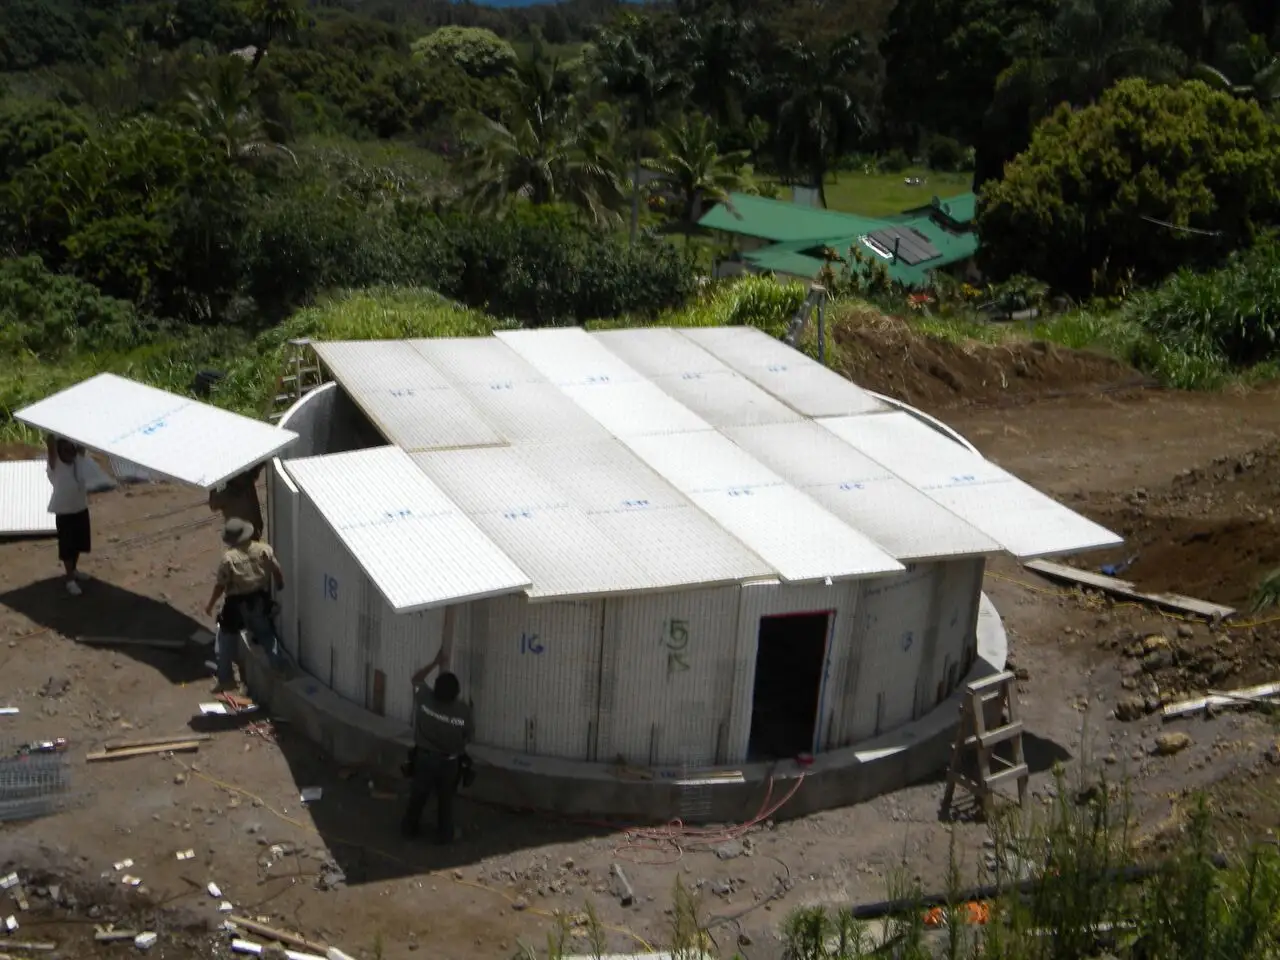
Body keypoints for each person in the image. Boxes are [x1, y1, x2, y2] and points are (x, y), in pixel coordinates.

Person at [204, 518, 284, 692]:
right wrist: (279, 585)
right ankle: (278, 668)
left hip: (235, 605)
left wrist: (210, 605)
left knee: (225, 639)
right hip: (259, 599)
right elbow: (277, 570)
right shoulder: (264, 549)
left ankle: (226, 679)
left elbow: (220, 586)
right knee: (266, 636)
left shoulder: (229, 558)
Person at [401, 667, 473, 844]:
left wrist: (435, 662)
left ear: (435, 688)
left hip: (424, 758)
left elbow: (416, 678)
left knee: (418, 795)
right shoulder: (462, 711)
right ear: (456, 693)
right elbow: (468, 736)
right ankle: (445, 834)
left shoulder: (425, 699)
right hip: (449, 762)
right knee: (445, 799)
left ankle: (409, 828)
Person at [46, 435, 91, 596]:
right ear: (59, 451)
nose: (70, 452)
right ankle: (70, 579)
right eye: (65, 449)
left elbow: (82, 444)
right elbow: (50, 442)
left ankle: (74, 570)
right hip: (64, 511)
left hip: (80, 508)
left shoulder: (77, 460)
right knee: (67, 546)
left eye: (71, 448)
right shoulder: (55, 464)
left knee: (79, 543)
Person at [208, 464, 265, 541]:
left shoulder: (244, 474)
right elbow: (214, 504)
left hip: (252, 525)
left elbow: (254, 472)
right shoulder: (223, 483)